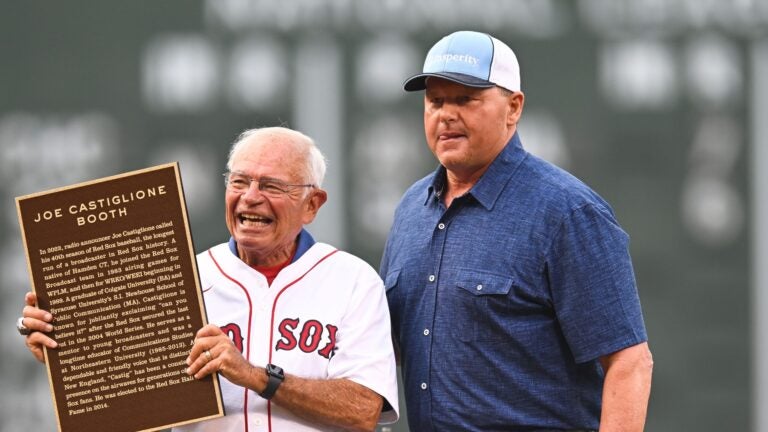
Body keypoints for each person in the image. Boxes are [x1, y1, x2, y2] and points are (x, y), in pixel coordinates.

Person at [19, 127, 399, 432]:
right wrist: (73, 362)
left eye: (270, 186)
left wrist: (255, 376)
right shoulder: (177, 279)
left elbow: (363, 410)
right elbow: (124, 414)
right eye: (239, 182)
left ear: (312, 204)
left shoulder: (352, 281)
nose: (250, 197)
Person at [380, 30, 653, 431]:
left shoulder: (567, 211)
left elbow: (629, 362)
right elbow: (389, 349)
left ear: (513, 107)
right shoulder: (411, 208)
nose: (446, 114)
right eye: (435, 101)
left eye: (465, 99)